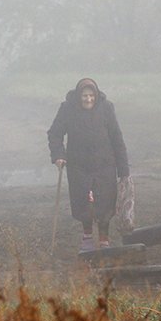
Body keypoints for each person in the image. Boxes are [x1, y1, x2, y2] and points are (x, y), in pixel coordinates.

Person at [47, 77, 130, 252]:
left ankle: (104, 241)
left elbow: (117, 138)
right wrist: (58, 155)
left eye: (91, 95)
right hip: (78, 165)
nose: (88, 99)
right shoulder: (68, 109)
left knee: (106, 201)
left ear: (96, 95)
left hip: (105, 164)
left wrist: (124, 169)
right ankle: (87, 238)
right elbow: (54, 133)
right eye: (85, 95)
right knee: (83, 201)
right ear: (79, 96)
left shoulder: (106, 108)